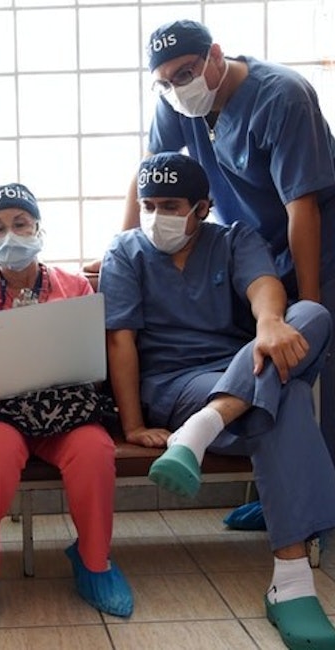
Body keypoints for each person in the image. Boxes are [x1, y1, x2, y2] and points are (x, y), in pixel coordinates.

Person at [101, 151, 335, 649]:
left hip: (239, 369)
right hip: (172, 386)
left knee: (313, 315)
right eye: (149, 205)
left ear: (202, 208)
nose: (156, 217)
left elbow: (264, 285)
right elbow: (120, 341)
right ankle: (292, 583)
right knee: (289, 395)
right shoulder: (126, 251)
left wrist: (269, 322)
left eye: (170, 206)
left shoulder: (232, 239)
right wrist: (132, 425)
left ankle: (205, 426)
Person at [124, 18, 335, 531]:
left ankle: (311, 510)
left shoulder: (282, 97)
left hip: (316, 246)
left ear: (216, 56)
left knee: (310, 368)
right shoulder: (177, 101)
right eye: (165, 82)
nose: (177, 88)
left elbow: (302, 207)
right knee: (273, 372)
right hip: (256, 253)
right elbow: (150, 168)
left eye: (186, 73)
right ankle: (282, 502)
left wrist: (308, 306)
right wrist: (127, 241)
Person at [0, 182, 133, 632]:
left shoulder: (74, 286)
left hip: (63, 410)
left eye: (20, 223)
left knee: (94, 450)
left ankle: (94, 560)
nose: (10, 234)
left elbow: (95, 372)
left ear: (39, 228)